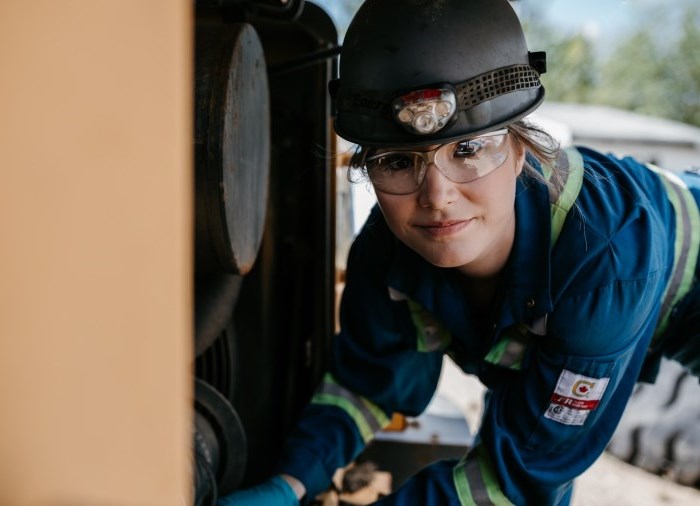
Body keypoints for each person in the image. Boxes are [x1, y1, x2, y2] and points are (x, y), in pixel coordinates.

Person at [219, 0, 700, 504]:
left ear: (521, 151)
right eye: (398, 161)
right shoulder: (385, 252)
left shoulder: (604, 259)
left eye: (468, 149)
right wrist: (289, 483)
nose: (436, 196)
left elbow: (518, 479)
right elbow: (367, 384)